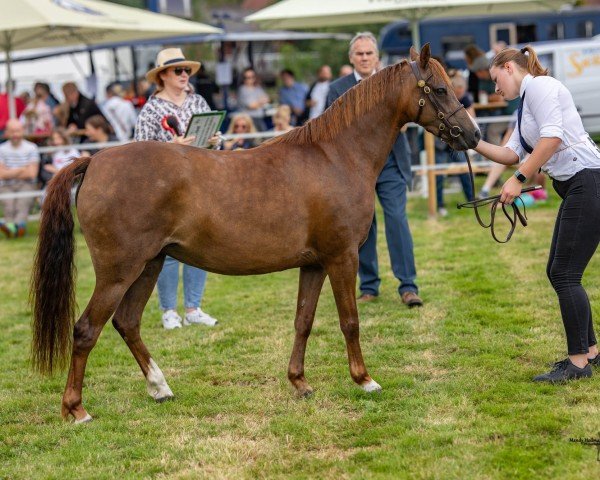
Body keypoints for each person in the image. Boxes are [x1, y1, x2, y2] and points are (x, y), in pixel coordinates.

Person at [474, 45, 600, 383]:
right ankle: (589, 353)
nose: (495, 88)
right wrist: (472, 141)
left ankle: (577, 364)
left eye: (495, 79)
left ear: (509, 67)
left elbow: (553, 138)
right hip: (580, 185)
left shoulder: (540, 87)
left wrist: (517, 181)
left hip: (588, 181)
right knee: (559, 271)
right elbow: (510, 153)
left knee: (564, 274)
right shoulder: (526, 104)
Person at [326, 32, 422, 308]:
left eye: (369, 53)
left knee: (397, 221)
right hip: (354, 170)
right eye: (360, 54)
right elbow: (328, 129)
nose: (365, 58)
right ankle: (369, 286)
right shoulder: (337, 89)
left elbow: (414, 109)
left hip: (391, 163)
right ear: (351, 58)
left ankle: (408, 286)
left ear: (377, 56)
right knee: (361, 228)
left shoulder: (396, 81)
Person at [134, 47, 219, 330]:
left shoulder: (198, 101)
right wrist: (172, 148)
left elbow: (211, 141)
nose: (184, 75)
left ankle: (194, 307)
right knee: (168, 249)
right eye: (178, 71)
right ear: (163, 76)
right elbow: (140, 151)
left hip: (199, 181)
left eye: (186, 71)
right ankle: (169, 310)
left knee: (199, 244)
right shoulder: (151, 109)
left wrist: (214, 138)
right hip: (165, 188)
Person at [435, 74, 476, 216]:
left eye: (461, 92)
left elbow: (472, 118)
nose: (459, 95)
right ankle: (438, 204)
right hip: (439, 142)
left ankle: (471, 199)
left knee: (464, 169)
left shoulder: (465, 98)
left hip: (457, 141)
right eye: (457, 92)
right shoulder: (442, 98)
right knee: (438, 173)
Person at [0, 119, 39, 238]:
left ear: (22, 131)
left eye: (17, 131)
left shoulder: (32, 147)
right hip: (6, 184)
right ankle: (16, 229)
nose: (15, 134)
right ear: (6, 132)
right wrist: (22, 169)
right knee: (9, 204)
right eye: (12, 131)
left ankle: (13, 228)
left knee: (23, 202)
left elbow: (32, 174)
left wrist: (9, 171)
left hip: (27, 184)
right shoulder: (1, 148)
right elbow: (1, 174)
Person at [237, 67, 269, 131]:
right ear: (243, 79)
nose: (251, 79)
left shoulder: (258, 88)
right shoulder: (242, 90)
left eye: (253, 76)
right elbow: (251, 106)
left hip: (260, 118)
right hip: (248, 120)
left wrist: (258, 103)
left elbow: (267, 99)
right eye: (248, 77)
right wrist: (260, 102)